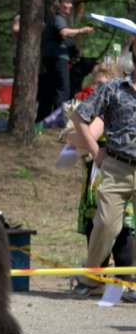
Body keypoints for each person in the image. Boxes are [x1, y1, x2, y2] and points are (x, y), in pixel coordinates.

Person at [69, 38, 136, 299]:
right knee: (106, 224)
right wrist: (95, 151)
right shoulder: (113, 89)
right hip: (117, 166)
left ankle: (129, 284)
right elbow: (80, 116)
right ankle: (91, 277)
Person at [38, 0, 94, 122]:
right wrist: (81, 30)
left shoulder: (52, 19)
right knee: (63, 88)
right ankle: (60, 119)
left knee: (51, 88)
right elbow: (63, 32)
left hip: (50, 56)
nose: (70, 5)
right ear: (60, 5)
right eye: (67, 3)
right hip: (58, 57)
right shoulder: (58, 18)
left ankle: (45, 117)